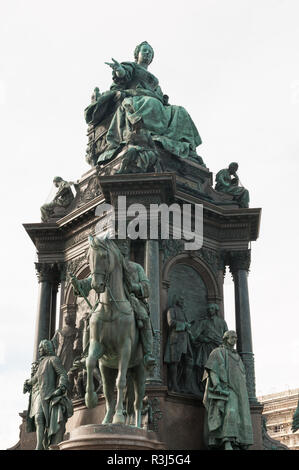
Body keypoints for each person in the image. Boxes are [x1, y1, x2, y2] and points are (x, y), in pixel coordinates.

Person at [84, 41, 204, 165]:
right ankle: (147, 136)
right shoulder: (132, 67)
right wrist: (119, 70)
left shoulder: (154, 79)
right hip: (137, 98)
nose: (148, 54)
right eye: (145, 51)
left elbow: (160, 96)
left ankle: (184, 147)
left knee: (180, 111)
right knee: (151, 103)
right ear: (137, 54)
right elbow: (123, 75)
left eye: (150, 53)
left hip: (157, 103)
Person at [202, 330, 253, 450]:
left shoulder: (237, 356)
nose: (235, 340)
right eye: (232, 337)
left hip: (240, 391)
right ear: (225, 339)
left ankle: (240, 441)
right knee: (231, 412)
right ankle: (227, 441)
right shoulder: (217, 352)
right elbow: (212, 370)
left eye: (236, 338)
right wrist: (217, 386)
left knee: (242, 415)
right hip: (227, 389)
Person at [23, 339, 73, 450]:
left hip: (48, 394)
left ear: (47, 348)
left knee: (40, 417)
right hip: (38, 394)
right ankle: (39, 444)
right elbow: (35, 378)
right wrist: (27, 383)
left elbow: (63, 374)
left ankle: (41, 444)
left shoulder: (53, 360)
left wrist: (61, 388)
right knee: (38, 418)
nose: (39, 350)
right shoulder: (40, 363)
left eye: (41, 348)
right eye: (39, 347)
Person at [193, 303, 228, 391]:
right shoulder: (204, 322)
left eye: (212, 308)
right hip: (207, 348)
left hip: (218, 348)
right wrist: (203, 338)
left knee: (220, 368)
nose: (210, 310)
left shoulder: (222, 323)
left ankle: (217, 387)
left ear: (216, 310)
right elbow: (196, 335)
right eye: (209, 309)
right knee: (205, 366)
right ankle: (205, 387)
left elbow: (226, 336)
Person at [164, 295, 194, 393]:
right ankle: (174, 384)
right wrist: (184, 325)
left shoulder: (183, 312)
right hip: (175, 339)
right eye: (181, 299)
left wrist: (188, 326)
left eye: (183, 300)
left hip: (185, 340)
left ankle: (185, 385)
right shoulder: (171, 310)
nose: (182, 301)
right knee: (175, 362)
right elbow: (170, 322)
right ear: (176, 300)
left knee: (187, 362)